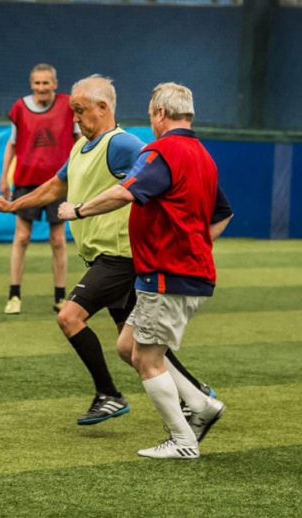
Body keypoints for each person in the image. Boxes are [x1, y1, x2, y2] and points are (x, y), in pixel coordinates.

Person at [0, 75, 212, 427]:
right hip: (102, 256)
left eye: (80, 110)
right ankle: (196, 395)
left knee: (69, 317)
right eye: (73, 110)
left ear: (102, 108)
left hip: (120, 256)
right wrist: (14, 205)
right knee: (134, 346)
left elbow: (158, 175)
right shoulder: (80, 147)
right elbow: (56, 186)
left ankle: (108, 395)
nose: (75, 117)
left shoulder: (124, 145)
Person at [58, 82, 234, 459]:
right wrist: (198, 244)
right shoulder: (204, 155)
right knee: (128, 345)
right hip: (187, 272)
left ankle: (183, 439)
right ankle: (201, 405)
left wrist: (78, 209)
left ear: (158, 114)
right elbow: (224, 213)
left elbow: (125, 192)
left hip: (167, 274)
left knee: (148, 359)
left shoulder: (163, 150)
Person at [0, 63, 80, 314]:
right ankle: (14, 295)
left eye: (46, 83)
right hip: (25, 181)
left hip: (58, 181)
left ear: (55, 84)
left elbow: (79, 141)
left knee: (57, 240)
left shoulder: (68, 106)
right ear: (31, 84)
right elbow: (12, 145)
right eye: (37, 83)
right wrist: (4, 177)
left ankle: (60, 297)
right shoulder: (19, 108)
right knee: (21, 237)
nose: (41, 88)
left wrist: (78, 175)